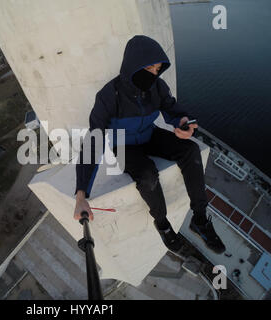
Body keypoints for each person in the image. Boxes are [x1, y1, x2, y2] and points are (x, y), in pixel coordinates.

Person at [73, 35, 225, 254]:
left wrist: (183, 123)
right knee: (147, 175)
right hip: (123, 146)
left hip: (149, 135)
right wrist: (80, 195)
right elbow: (93, 142)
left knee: (190, 150)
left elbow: (172, 109)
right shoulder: (108, 96)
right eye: (150, 68)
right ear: (133, 66)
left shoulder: (157, 87)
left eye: (157, 69)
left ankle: (199, 219)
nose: (154, 74)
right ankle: (162, 224)